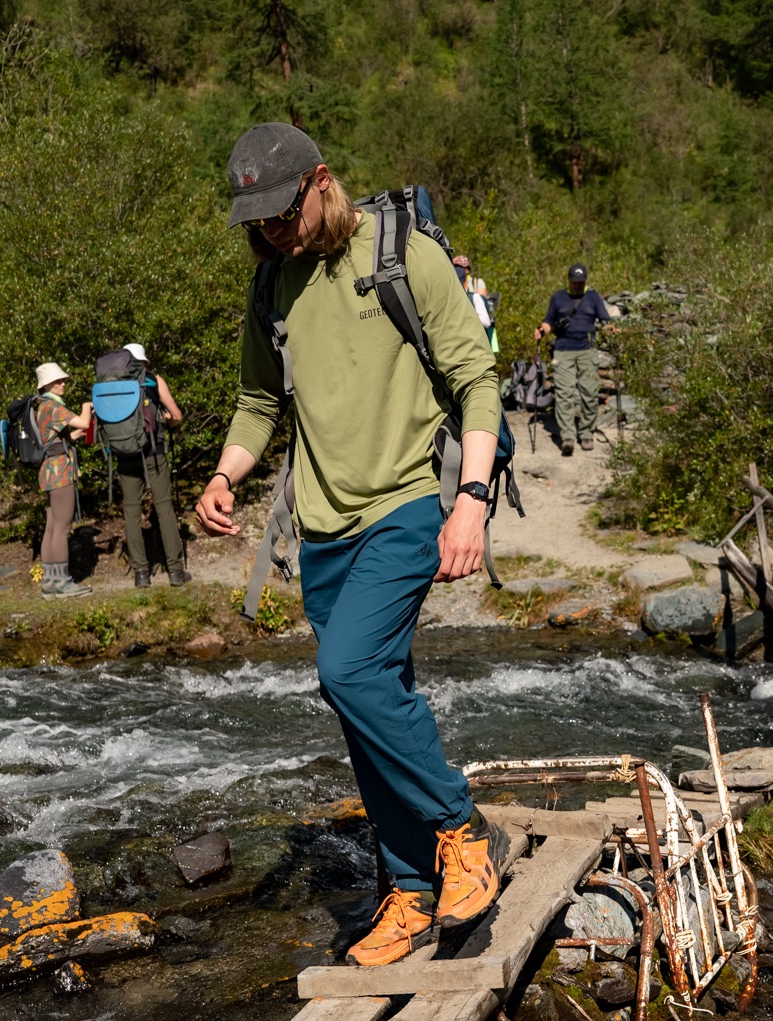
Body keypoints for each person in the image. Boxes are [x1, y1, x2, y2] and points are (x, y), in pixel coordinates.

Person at [195, 122, 507, 968]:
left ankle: (464, 831)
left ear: (320, 181)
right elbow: (259, 401)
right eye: (254, 222)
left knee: (350, 673)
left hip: (406, 506)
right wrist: (226, 474)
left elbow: (477, 379)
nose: (269, 232)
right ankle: (408, 891)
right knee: (365, 708)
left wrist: (471, 502)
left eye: (279, 214)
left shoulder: (402, 255)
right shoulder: (272, 288)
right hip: (322, 530)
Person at [116, 342, 190, 587]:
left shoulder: (113, 386)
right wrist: (167, 420)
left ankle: (141, 574)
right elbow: (176, 415)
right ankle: (176, 571)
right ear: (144, 362)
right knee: (164, 507)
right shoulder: (154, 380)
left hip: (125, 454)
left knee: (131, 511)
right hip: (153, 452)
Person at [532, 263, 615, 455]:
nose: (577, 285)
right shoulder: (558, 297)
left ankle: (586, 433)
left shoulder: (593, 297)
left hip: (587, 351)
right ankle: (567, 437)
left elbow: (605, 320)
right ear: (569, 280)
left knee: (590, 393)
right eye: (575, 282)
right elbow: (549, 321)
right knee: (564, 394)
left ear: (585, 281)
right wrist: (541, 331)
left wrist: (613, 329)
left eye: (581, 282)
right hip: (563, 351)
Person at [32, 362, 94, 599]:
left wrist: (76, 433)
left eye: (63, 379)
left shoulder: (43, 407)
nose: (63, 383)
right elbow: (84, 423)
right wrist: (86, 407)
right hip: (60, 473)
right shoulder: (52, 407)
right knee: (62, 528)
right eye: (58, 381)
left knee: (52, 526)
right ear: (46, 384)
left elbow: (69, 434)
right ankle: (62, 582)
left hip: (48, 471)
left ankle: (50, 582)